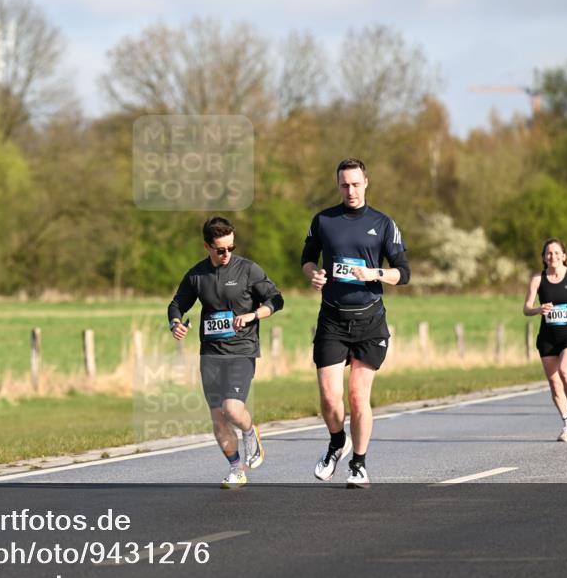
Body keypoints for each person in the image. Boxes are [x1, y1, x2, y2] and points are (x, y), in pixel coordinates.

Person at [301, 158, 410, 488]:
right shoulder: (324, 221)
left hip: (369, 321)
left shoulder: (383, 223)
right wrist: (314, 275)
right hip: (332, 318)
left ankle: (359, 464)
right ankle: (337, 441)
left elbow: (403, 272)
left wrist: (375, 273)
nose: (350, 190)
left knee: (357, 397)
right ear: (338, 186)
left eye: (355, 183)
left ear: (366, 182)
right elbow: (307, 259)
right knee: (330, 398)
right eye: (344, 185)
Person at [168, 217, 285, 488]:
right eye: (220, 249)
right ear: (207, 246)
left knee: (232, 409)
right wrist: (175, 323)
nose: (227, 254)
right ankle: (236, 468)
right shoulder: (197, 275)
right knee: (218, 417)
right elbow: (177, 304)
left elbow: (276, 299)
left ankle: (249, 430)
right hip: (210, 353)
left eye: (231, 247)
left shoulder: (248, 270)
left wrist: (254, 315)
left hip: (241, 350)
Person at [522, 239, 567, 442]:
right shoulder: (538, 279)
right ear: (544, 257)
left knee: (564, 371)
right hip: (547, 338)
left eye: (556, 253)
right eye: (548, 253)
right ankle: (566, 425)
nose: (552, 256)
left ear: (564, 255)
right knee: (554, 382)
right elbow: (526, 308)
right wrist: (538, 309)